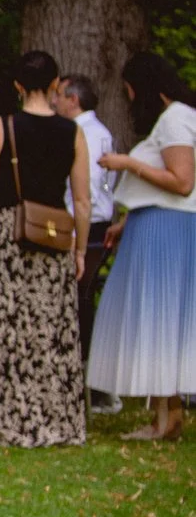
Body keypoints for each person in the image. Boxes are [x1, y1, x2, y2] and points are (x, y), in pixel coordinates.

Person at [0, 51, 91, 449]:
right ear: (57, 83)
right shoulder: (73, 133)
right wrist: (79, 251)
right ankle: (48, 416)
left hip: (9, 232)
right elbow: (83, 200)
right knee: (47, 330)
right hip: (54, 234)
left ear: (18, 86)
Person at [86, 52, 196, 441]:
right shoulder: (173, 119)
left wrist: (126, 164)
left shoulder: (177, 118)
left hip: (167, 231)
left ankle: (167, 419)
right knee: (159, 319)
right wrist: (125, 221)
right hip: (154, 222)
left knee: (160, 317)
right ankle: (166, 416)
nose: (130, 97)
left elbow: (182, 183)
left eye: (131, 88)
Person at [55, 74, 122, 406]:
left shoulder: (88, 135)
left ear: (73, 100)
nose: (54, 101)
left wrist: (70, 224)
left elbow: (89, 190)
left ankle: (93, 382)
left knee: (79, 300)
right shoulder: (98, 132)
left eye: (58, 96)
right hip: (89, 221)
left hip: (88, 224)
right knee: (79, 300)